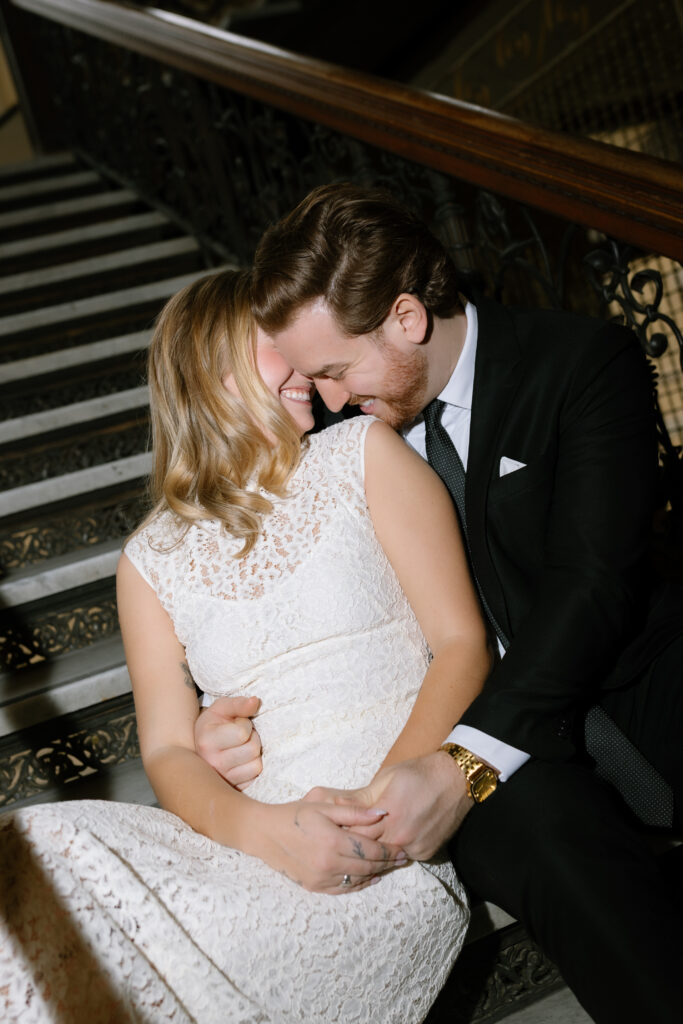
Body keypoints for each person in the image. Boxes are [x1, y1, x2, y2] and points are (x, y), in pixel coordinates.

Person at [195, 184, 683, 1024]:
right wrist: (215, 715)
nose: (329, 403)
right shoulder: (334, 438)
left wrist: (470, 762)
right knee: (571, 867)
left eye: (335, 371)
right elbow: (280, 587)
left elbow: (593, 588)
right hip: (463, 744)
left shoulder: (580, 363)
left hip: (630, 686)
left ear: (408, 318)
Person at [0, 268, 493, 1023]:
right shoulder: (148, 560)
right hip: (247, 846)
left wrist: (379, 808)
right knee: (31, 845)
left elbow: (462, 644)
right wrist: (261, 830)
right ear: (213, 362)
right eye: (278, 347)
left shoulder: (364, 454)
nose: (307, 368)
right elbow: (167, 753)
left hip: (386, 831)